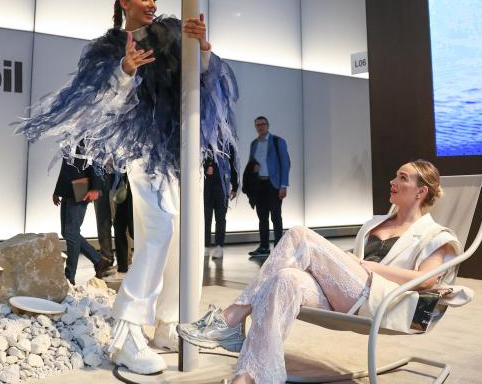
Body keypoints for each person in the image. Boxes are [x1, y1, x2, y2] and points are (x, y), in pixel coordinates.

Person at [15, 0, 238, 375]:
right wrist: (125, 70)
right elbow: (97, 104)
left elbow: (201, 82)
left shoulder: (170, 35)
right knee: (160, 229)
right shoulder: (109, 48)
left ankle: (170, 321)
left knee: (186, 236)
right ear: (125, 2)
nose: (151, 3)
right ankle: (127, 332)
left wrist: (202, 48)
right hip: (143, 151)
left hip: (182, 150)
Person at [179, 161, 460, 384]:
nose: (392, 181)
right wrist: (344, 260)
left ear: (421, 192)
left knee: (299, 233)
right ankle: (249, 377)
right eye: (396, 176)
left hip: (382, 298)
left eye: (402, 178)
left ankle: (232, 317)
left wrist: (371, 266)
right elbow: (350, 262)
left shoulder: (435, 235)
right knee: (285, 279)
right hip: (348, 291)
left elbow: (427, 280)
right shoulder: (376, 223)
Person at [52, 150, 109, 284]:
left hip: (81, 186)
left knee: (71, 232)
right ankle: (99, 260)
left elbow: (97, 162)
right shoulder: (69, 141)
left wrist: (95, 188)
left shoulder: (88, 138)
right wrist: (57, 190)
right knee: (67, 232)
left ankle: (69, 277)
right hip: (67, 189)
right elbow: (66, 166)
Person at [243, 116, 290, 257]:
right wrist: (253, 169)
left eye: (262, 124)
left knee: (276, 216)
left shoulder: (277, 141)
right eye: (257, 125)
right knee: (262, 217)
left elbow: (285, 164)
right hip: (259, 185)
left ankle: (279, 246)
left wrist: (283, 185)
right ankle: (264, 246)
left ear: (267, 126)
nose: (260, 127)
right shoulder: (254, 144)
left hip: (273, 184)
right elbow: (251, 163)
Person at [204, 143, 238, 259]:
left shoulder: (228, 146)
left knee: (220, 218)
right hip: (207, 187)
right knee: (206, 218)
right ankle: (205, 245)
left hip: (222, 188)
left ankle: (219, 246)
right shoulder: (205, 143)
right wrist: (206, 168)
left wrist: (235, 187)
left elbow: (233, 166)